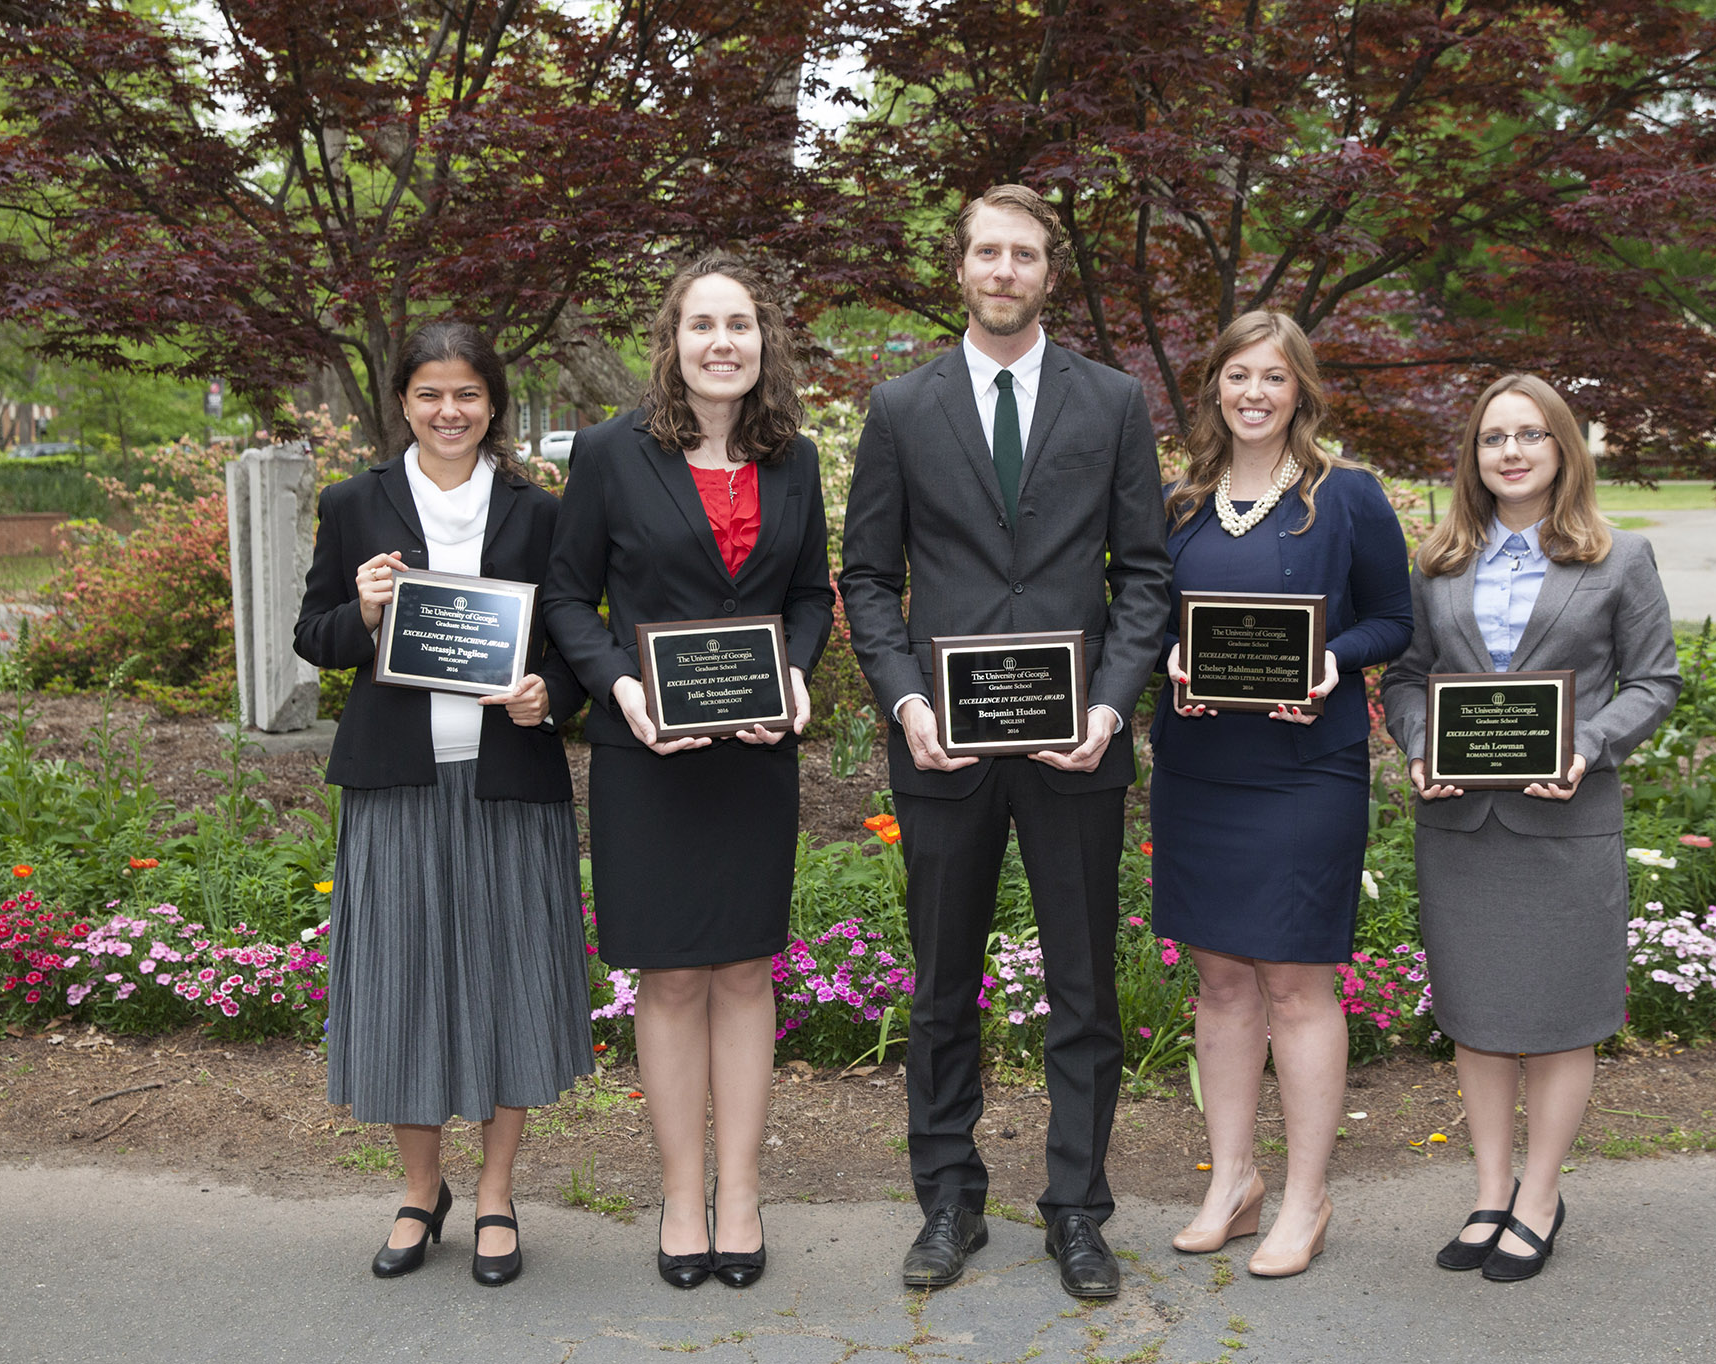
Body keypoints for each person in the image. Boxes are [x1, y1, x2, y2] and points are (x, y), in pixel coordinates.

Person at [839, 184, 1172, 1300]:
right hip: (944, 747)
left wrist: (1114, 705)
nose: (1003, 269)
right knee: (944, 983)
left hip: (1077, 746)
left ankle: (1077, 1209)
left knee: (1084, 987)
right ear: (963, 267)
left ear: (1047, 273)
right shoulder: (900, 405)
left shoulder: (1115, 401)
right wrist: (904, 700)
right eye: (987, 250)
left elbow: (1146, 575)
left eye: (1023, 253)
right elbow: (870, 579)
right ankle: (948, 1197)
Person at [542, 252, 831, 1291]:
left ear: (764, 341)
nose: (723, 342)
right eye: (703, 323)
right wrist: (622, 689)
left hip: (754, 759)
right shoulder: (611, 454)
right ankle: (677, 1195)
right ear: (671, 340)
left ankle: (742, 1193)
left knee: (747, 970)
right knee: (668, 976)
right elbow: (570, 597)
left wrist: (795, 676)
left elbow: (809, 594)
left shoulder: (792, 458)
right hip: (649, 758)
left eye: (741, 324)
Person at [293, 320, 595, 1288]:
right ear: (404, 403)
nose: (449, 410)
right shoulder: (355, 502)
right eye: (430, 393)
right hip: (398, 783)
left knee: (511, 979)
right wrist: (367, 609)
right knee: (402, 982)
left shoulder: (541, 512)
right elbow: (315, 637)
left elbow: (573, 640)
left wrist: (553, 694)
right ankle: (422, 1190)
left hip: (508, 779)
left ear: (494, 403)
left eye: (466, 392)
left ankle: (500, 1190)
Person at [1382, 373, 1679, 1282]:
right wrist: (1423, 745)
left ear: (1563, 449)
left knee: (1558, 1021)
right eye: (1491, 438)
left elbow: (1655, 681)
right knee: (1477, 1018)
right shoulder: (1437, 562)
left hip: (1565, 825)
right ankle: (1488, 1191)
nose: (1510, 452)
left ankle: (1540, 1197)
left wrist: (1587, 744)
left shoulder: (1619, 559)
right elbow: (1405, 678)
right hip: (1462, 825)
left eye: (1529, 435)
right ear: (1473, 456)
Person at [1152, 310, 1413, 1277]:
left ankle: (1306, 1195)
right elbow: (1140, 618)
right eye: (1236, 376)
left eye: (1274, 377)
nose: (1254, 393)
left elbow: (1394, 620)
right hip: (1201, 769)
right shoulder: (1180, 503)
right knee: (1220, 981)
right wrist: (1168, 656)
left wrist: (1331, 666)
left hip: (1307, 771)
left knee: (1297, 983)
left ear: (1300, 388)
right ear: (1214, 386)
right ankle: (1232, 1179)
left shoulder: (1346, 497)